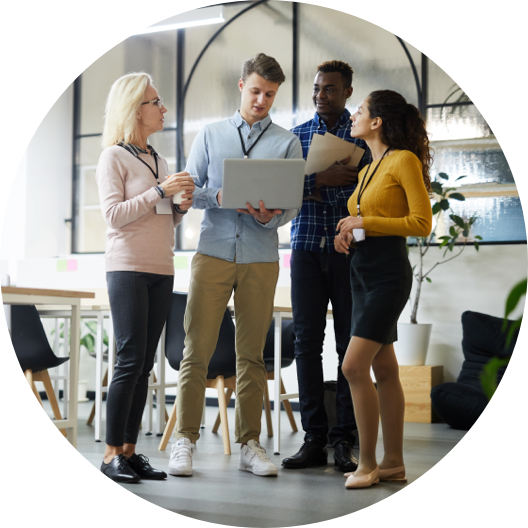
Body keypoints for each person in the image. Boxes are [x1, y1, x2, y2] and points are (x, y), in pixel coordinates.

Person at [167, 53, 303, 478]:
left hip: (262, 257)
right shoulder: (209, 134)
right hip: (213, 252)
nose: (262, 100)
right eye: (257, 90)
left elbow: (292, 205)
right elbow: (189, 191)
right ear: (242, 85)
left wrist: (271, 218)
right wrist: (218, 197)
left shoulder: (286, 142)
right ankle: (184, 440)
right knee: (197, 351)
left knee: (252, 357)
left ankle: (250, 444)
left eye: (271, 94)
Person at [96, 72, 195, 483]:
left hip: (161, 267)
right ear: (135, 108)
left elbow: (164, 219)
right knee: (129, 359)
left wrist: (181, 205)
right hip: (127, 266)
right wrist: (160, 192)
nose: (163, 109)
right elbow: (114, 216)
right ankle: (109, 454)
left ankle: (131, 452)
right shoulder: (112, 157)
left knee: (144, 367)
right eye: (156, 102)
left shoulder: (159, 159)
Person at [334, 90, 433, 489]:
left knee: (353, 366)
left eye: (360, 111)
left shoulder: (403, 160)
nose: (354, 116)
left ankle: (368, 464)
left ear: (377, 123)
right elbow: (363, 221)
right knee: (384, 370)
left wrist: (364, 223)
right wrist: (348, 234)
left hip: (389, 275)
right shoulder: (366, 170)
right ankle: (393, 463)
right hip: (362, 272)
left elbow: (421, 223)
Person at [282, 61, 371, 473]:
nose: (321, 95)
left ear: (347, 92)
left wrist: (340, 185)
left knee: (346, 345)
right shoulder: (295, 136)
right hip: (303, 248)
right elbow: (281, 191)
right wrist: (319, 182)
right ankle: (314, 437)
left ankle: (343, 441)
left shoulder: (363, 138)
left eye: (330, 89)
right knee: (305, 344)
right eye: (317, 88)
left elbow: (368, 197)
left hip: (346, 250)